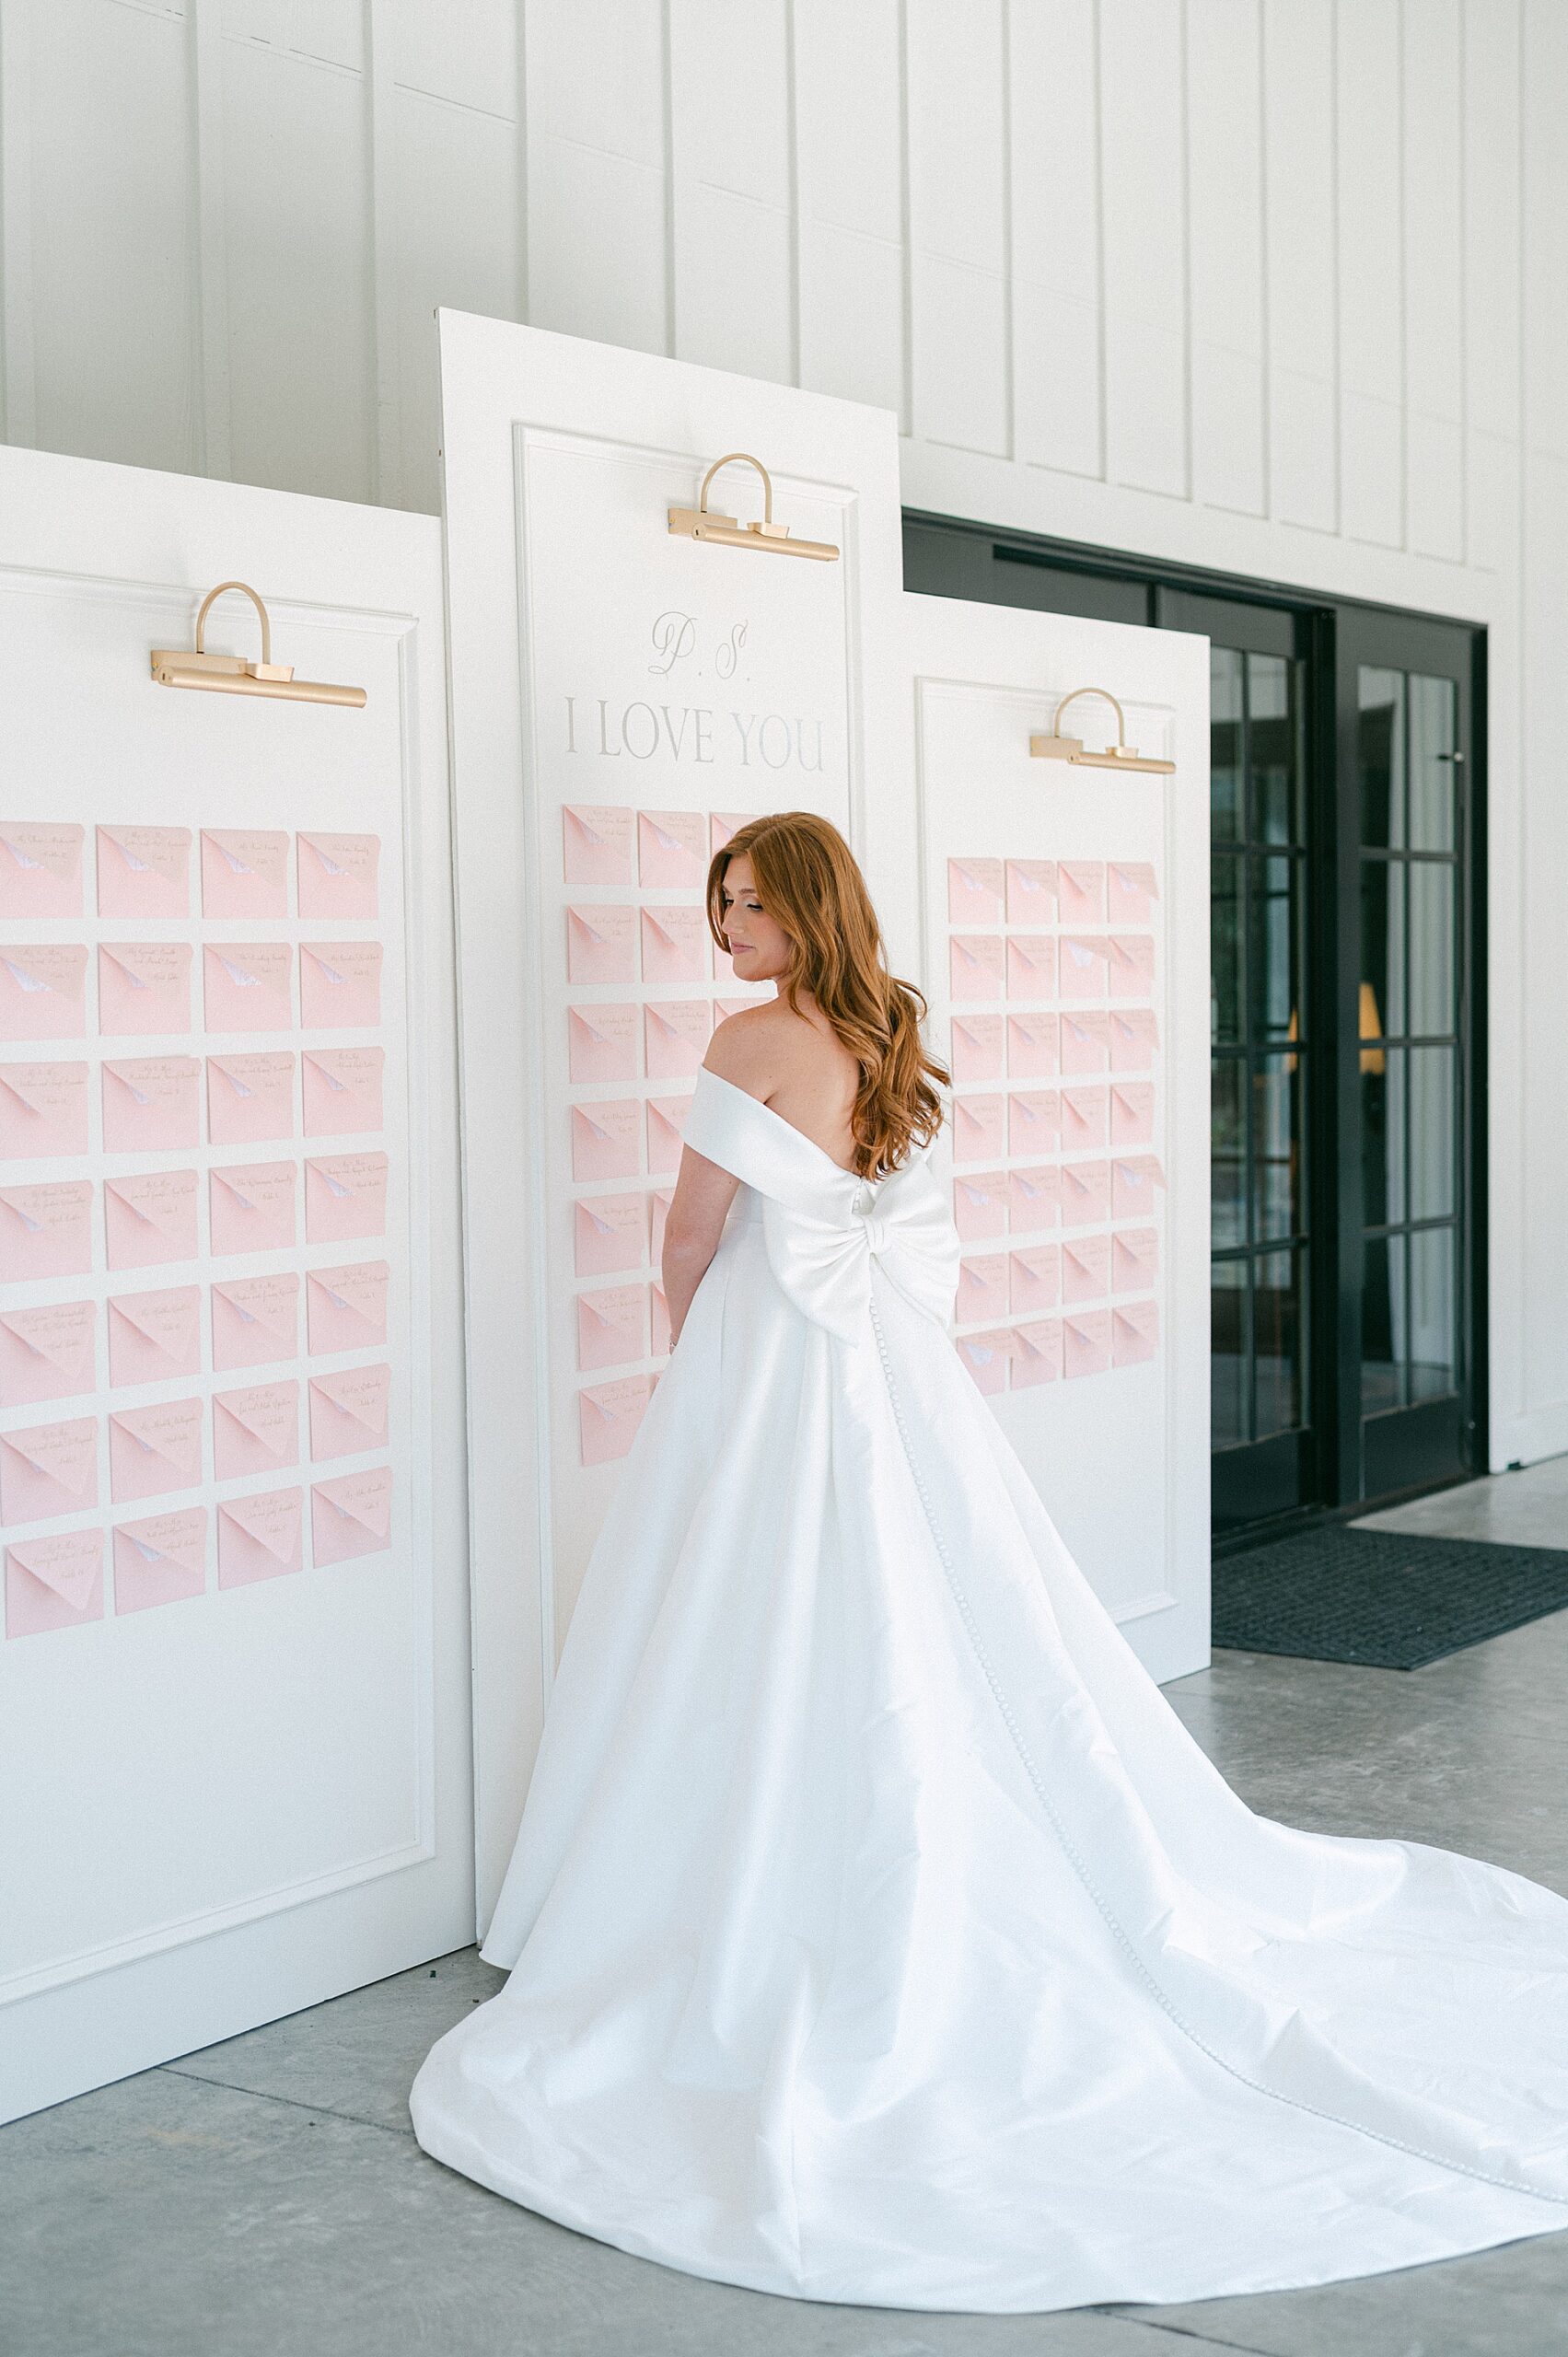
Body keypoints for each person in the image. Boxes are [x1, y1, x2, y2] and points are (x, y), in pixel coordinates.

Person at [410, 811, 1568, 2314]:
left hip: (776, 1354)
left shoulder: (752, 1037)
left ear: (805, 909)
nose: (729, 935)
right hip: (892, 1356)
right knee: (931, 1595)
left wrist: (699, 1362)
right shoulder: (891, 1028)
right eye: (721, 910)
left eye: (749, 907)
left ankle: (712, 1884)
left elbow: (689, 1236)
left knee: (741, 1615)